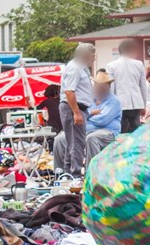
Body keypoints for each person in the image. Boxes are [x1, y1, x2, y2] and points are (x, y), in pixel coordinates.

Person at [59, 43, 95, 178]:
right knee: (76, 143)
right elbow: (69, 92)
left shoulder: (81, 67)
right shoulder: (75, 68)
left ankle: (69, 173)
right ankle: (75, 174)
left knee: (73, 142)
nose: (93, 59)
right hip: (73, 107)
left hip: (78, 107)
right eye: (92, 56)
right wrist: (76, 112)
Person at [106, 39, 147, 133]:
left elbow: (111, 87)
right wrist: (143, 105)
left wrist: (110, 105)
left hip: (119, 103)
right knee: (136, 132)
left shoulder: (111, 65)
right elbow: (143, 87)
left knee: (120, 131)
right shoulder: (139, 64)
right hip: (136, 103)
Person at [85, 71, 122, 171]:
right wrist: (91, 113)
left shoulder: (114, 101)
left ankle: (92, 175)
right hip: (88, 131)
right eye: (98, 85)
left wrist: (88, 116)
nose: (99, 88)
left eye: (103, 86)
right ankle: (66, 176)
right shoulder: (90, 100)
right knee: (61, 138)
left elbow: (102, 120)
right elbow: (82, 115)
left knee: (92, 138)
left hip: (108, 133)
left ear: (108, 87)